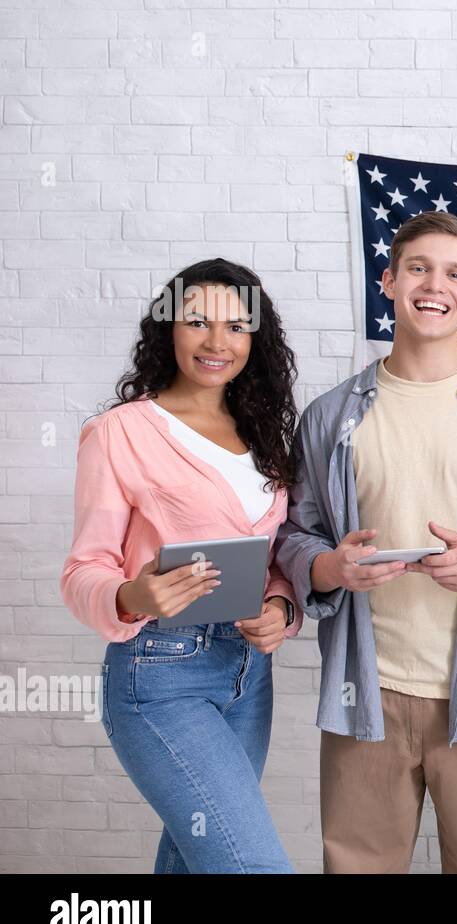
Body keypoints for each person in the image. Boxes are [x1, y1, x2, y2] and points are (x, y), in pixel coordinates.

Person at [274, 211, 457, 873]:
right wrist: (327, 566)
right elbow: (295, 534)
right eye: (419, 268)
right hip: (365, 692)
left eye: (455, 273)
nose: (436, 285)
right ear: (390, 279)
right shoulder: (330, 416)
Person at [61, 258, 303, 873]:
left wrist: (280, 608)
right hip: (161, 675)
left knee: (198, 858)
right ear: (167, 330)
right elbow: (83, 569)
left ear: (256, 338)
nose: (217, 341)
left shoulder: (263, 434)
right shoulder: (120, 433)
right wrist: (133, 595)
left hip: (249, 676)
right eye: (197, 321)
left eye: (236, 326)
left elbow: (270, 562)